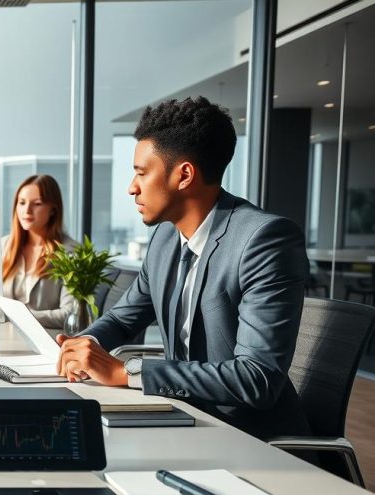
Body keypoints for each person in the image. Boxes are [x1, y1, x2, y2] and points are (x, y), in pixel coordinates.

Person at [55, 97, 311, 440]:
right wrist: (83, 345)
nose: (132, 187)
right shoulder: (164, 238)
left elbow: (257, 379)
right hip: (179, 418)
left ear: (184, 175)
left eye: (142, 173)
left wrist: (128, 372)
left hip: (248, 437)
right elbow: (121, 319)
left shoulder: (264, 240)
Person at [0, 174, 78, 329]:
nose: (27, 210)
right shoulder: (3, 246)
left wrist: (19, 317)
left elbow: (70, 314)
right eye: (21, 203)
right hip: (4, 337)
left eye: (37, 203)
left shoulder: (71, 253)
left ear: (53, 210)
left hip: (48, 341)